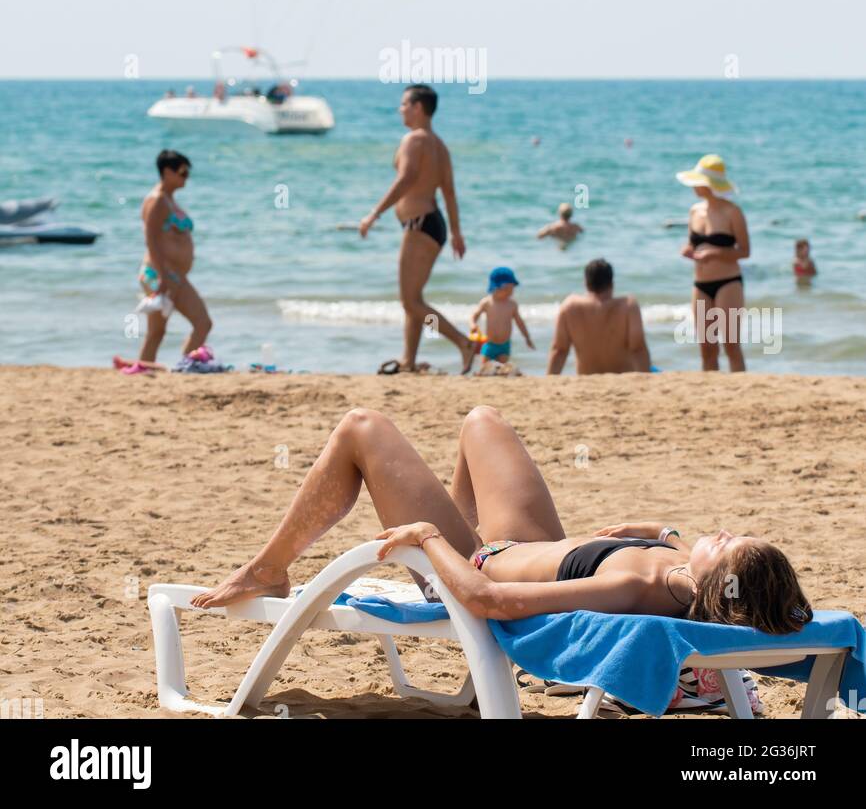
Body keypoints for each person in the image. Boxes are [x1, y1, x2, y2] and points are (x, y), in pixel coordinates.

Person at [189, 404, 812, 640]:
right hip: (531, 541)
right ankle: (448, 518)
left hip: (476, 566)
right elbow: (720, 574)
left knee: (362, 429)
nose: (724, 534)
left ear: (713, 589)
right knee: (481, 421)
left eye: (728, 548)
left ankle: (269, 569)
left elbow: (490, 600)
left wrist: (430, 538)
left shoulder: (641, 589)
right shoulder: (680, 572)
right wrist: (662, 532)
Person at [359, 85, 472, 373]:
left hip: (420, 223)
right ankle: (408, 360)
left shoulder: (414, 140)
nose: (400, 109)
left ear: (418, 107)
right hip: (435, 225)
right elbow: (449, 192)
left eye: (404, 104)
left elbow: (406, 178)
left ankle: (462, 341)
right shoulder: (440, 145)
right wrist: (457, 233)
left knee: (410, 301)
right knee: (414, 299)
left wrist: (374, 213)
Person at [133, 150, 213, 364]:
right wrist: (162, 278)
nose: (186, 178)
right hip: (161, 275)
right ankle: (185, 367)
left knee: (158, 333)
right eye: (182, 172)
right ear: (167, 172)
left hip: (172, 275)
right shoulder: (157, 200)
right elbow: (151, 240)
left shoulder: (168, 199)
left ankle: (164, 368)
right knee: (201, 323)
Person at [677, 155, 750, 373]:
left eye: (697, 182)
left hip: (728, 283)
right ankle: (711, 392)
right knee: (707, 348)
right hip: (700, 284)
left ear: (708, 184)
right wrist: (687, 251)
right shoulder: (694, 211)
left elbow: (745, 251)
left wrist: (716, 253)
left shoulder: (733, 212)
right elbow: (691, 244)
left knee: (731, 345)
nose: (693, 186)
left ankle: (740, 390)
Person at [547, 259, 651, 374]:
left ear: (586, 283)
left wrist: (549, 381)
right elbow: (638, 349)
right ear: (612, 283)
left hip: (586, 379)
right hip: (622, 378)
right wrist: (645, 378)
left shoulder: (569, 306)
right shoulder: (628, 306)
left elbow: (559, 351)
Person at [469, 267, 535, 374]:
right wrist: (472, 325)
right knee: (484, 370)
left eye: (513, 288)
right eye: (509, 288)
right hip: (489, 344)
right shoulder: (487, 303)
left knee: (502, 371)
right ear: (498, 286)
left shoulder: (512, 304)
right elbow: (474, 315)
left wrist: (527, 337)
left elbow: (520, 322)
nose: (512, 291)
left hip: (504, 345)